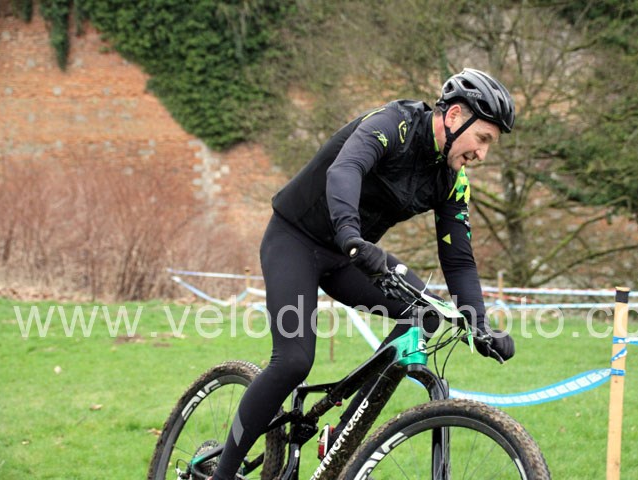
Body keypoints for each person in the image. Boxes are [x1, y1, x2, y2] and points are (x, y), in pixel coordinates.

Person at [210, 68, 516, 480]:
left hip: (349, 256)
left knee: (426, 314)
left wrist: (478, 323)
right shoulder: (393, 125)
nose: (482, 154)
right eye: (482, 139)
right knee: (294, 361)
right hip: (296, 239)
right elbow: (345, 170)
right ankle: (223, 474)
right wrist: (352, 237)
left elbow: (459, 259)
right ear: (455, 116)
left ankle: (343, 435)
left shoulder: (451, 180)